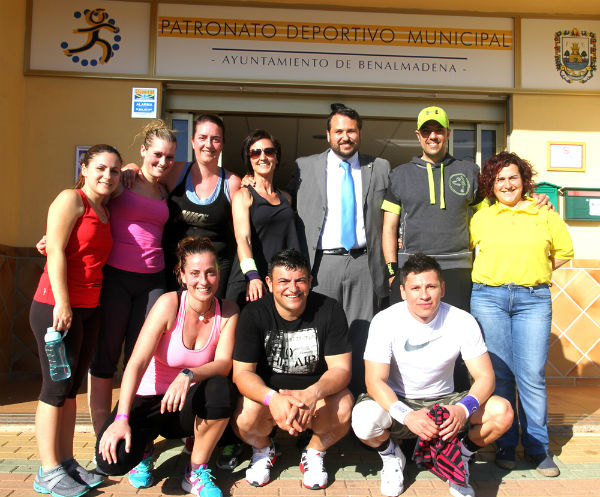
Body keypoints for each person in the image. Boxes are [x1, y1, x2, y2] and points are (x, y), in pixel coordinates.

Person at [381, 106, 549, 390]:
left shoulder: (469, 171)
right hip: (412, 270)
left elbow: (499, 205)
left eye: (438, 130)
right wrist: (391, 270)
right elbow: (388, 227)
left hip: (458, 269)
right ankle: (407, 415)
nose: (432, 136)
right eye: (426, 131)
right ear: (418, 135)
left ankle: (457, 416)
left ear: (448, 133)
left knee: (457, 345)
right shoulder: (399, 175)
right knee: (406, 342)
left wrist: (532, 198)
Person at [351, 253, 512, 497]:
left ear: (442, 289)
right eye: (416, 288)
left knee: (503, 412)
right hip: (399, 402)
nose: (424, 295)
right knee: (363, 421)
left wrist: (463, 409)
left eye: (431, 286)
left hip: (446, 405)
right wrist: (407, 416)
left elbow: (486, 377)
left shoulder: (462, 321)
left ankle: (461, 457)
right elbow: (374, 380)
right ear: (403, 291)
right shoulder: (385, 321)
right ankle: (391, 456)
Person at [96, 237, 238, 497]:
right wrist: (122, 418)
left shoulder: (228, 311)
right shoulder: (169, 304)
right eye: (194, 273)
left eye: (210, 272)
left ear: (219, 274)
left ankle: (195, 470)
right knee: (111, 460)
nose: (203, 281)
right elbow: (136, 362)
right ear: (182, 275)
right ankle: (145, 450)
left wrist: (188, 374)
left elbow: (223, 364)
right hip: (148, 400)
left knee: (221, 389)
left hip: (185, 403)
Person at [469, 152, 573, 477]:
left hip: (533, 299)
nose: (507, 184)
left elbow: (565, 252)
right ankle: (505, 444)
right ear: (490, 184)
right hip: (489, 299)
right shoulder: (479, 216)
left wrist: (537, 271)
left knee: (532, 376)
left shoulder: (543, 212)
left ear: (524, 180)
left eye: (513, 177)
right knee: (499, 375)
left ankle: (538, 447)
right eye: (500, 179)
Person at [30, 145, 122, 497]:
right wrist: (64, 304)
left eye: (114, 171)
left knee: (70, 390)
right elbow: (54, 249)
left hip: (88, 309)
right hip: (56, 307)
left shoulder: (104, 208)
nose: (108, 176)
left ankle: (66, 462)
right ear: (84, 168)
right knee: (54, 390)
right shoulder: (72, 199)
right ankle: (47, 469)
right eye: (100, 168)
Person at [231, 249, 353, 489]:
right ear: (269, 283)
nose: (292, 288)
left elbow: (342, 369)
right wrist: (273, 398)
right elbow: (242, 373)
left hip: (314, 395)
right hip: (270, 394)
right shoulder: (254, 313)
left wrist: (312, 393)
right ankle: (263, 449)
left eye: (299, 280)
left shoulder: (329, 309)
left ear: (310, 281)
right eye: (284, 281)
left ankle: (315, 451)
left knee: (344, 407)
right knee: (243, 417)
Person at [290, 104, 390, 395]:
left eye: (351, 131)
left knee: (363, 336)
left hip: (365, 263)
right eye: (338, 131)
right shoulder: (303, 166)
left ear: (359, 133)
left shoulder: (380, 167)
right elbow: (282, 202)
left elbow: (397, 210)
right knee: (317, 336)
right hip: (321, 265)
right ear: (328, 135)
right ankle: (317, 404)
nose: (345, 137)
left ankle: (361, 406)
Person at [88, 120, 176, 435]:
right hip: (116, 278)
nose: (163, 162)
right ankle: (102, 432)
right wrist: (53, 234)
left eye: (168, 157)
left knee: (141, 357)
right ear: (143, 151)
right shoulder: (122, 180)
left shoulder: (165, 189)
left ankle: (131, 426)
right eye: (157, 155)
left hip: (152, 283)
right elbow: (86, 203)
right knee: (106, 355)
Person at [161, 114, 241, 293]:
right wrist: (130, 170)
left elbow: (243, 232)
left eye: (215, 139)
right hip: (176, 269)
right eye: (202, 138)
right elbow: (146, 175)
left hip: (215, 272)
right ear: (192, 141)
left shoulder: (232, 182)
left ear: (222, 144)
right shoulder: (174, 172)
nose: (208, 145)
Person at [226, 129, 300, 308]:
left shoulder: (287, 198)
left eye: (269, 151)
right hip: (250, 283)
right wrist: (252, 276)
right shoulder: (243, 195)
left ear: (276, 157)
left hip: (278, 285)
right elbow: (243, 239)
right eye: (255, 152)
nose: (262, 157)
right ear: (249, 160)